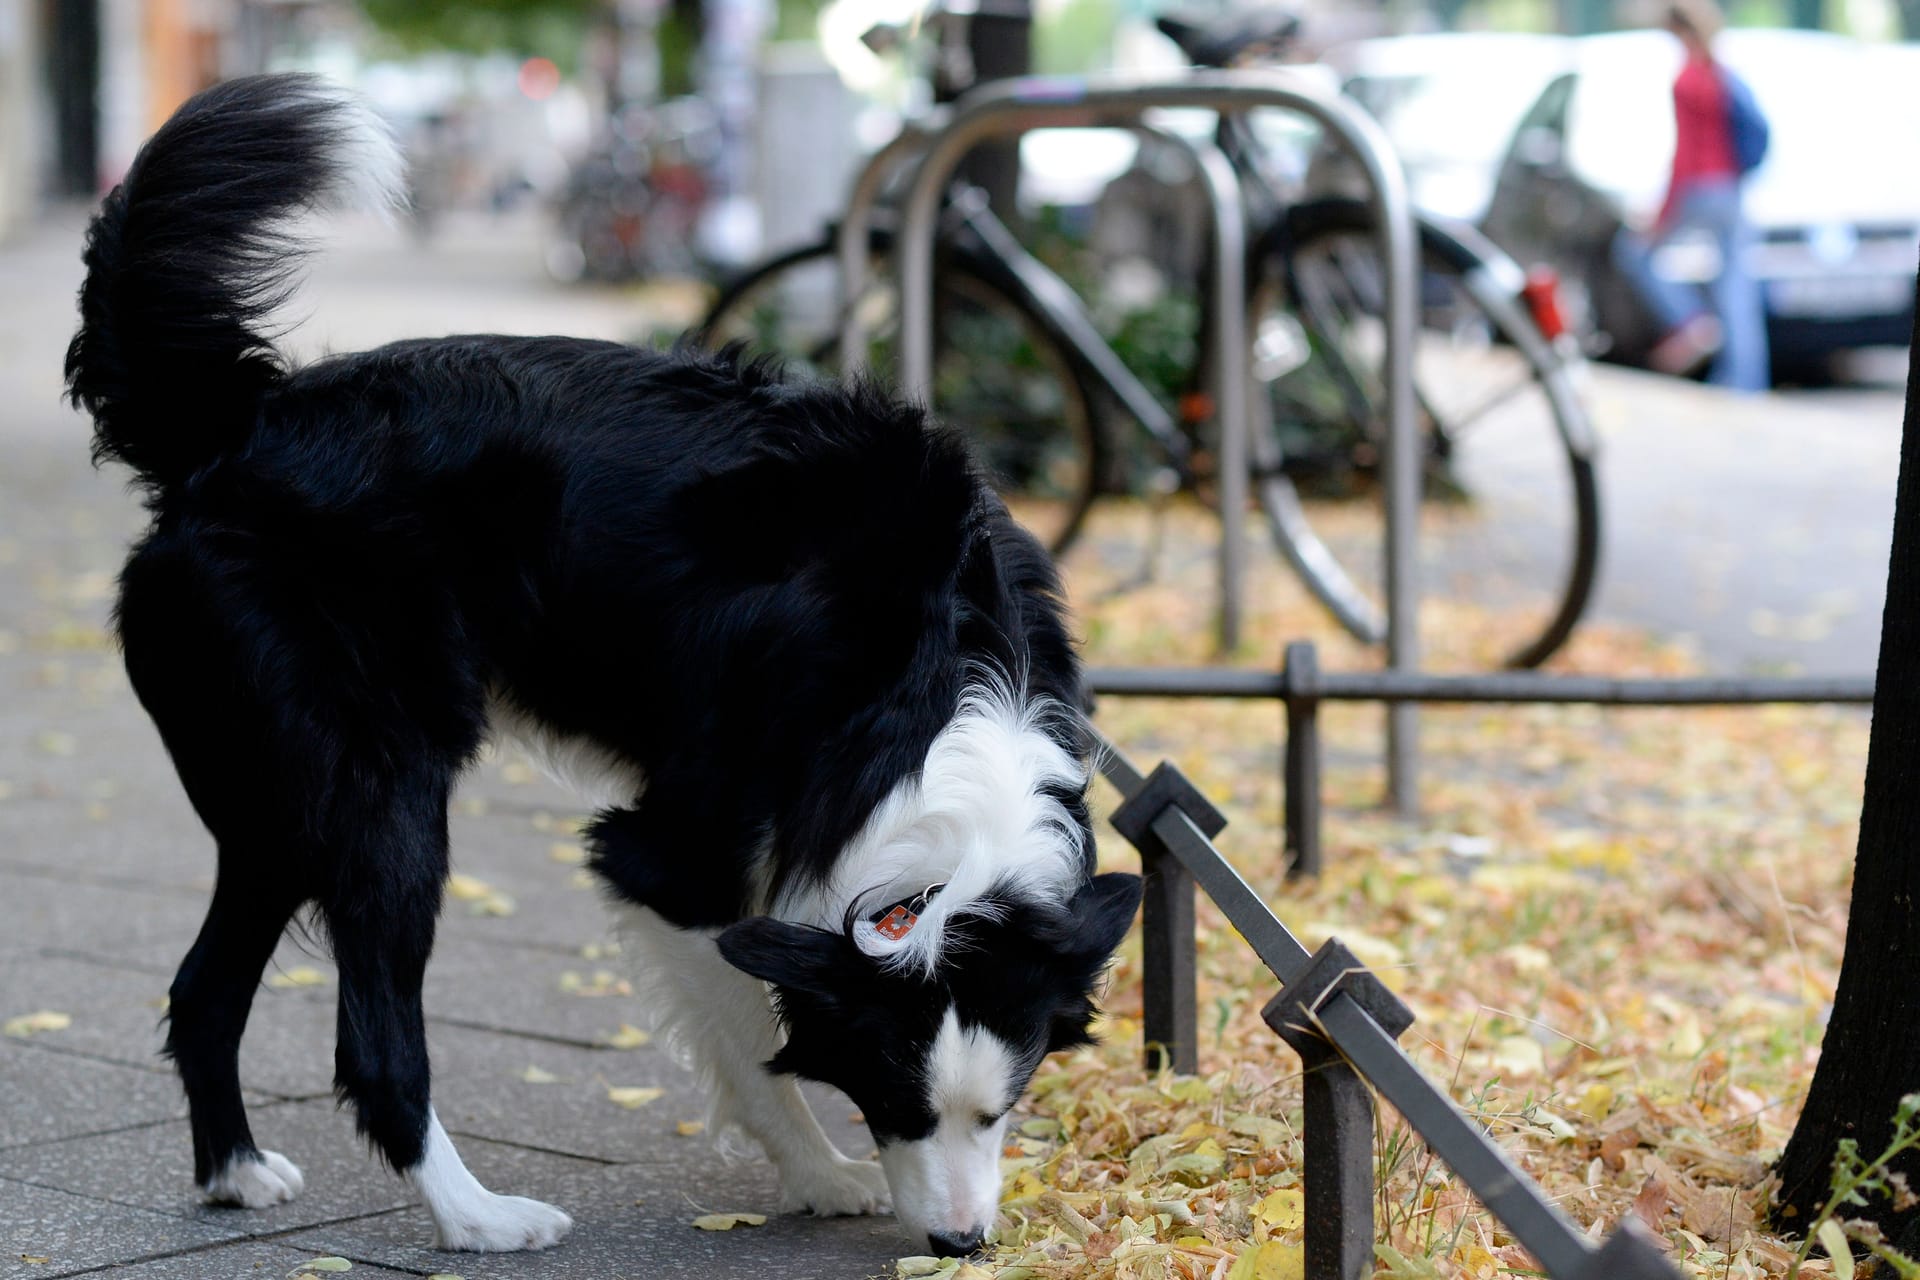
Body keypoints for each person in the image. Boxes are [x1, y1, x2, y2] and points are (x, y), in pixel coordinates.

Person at [1612, 0, 1770, 390]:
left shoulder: (1687, 79)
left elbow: (1685, 155)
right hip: (1730, 190)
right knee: (1736, 287)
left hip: (1699, 189)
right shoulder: (1722, 72)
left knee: (1634, 251)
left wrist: (1661, 212)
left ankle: (1690, 322)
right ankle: (1744, 382)